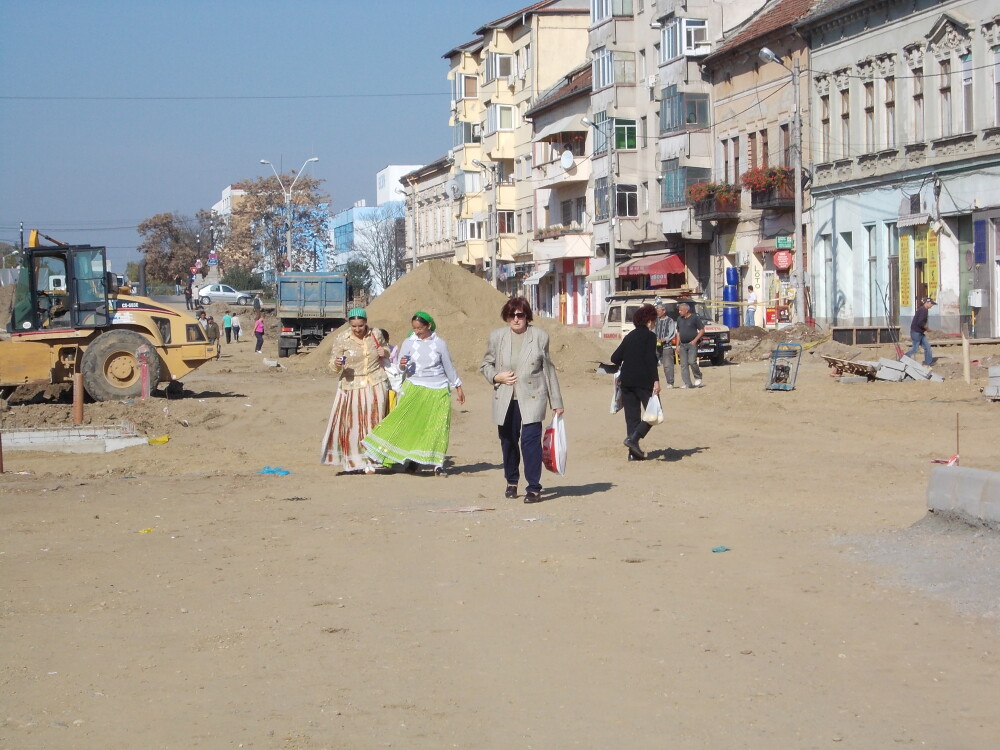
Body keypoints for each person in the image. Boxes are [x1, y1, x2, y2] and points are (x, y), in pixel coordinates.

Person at [480, 297, 564, 503]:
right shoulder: (497, 337)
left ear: (527, 316)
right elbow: (486, 364)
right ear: (506, 317)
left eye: (520, 315)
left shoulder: (540, 337)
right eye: (511, 315)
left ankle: (534, 487)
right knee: (508, 441)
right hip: (505, 398)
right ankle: (511, 480)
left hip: (532, 397)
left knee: (530, 443)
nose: (516, 319)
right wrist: (496, 377)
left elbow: (548, 369)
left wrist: (557, 402)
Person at [363, 312, 465, 475]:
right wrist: (403, 364)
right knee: (408, 423)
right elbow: (401, 368)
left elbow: (448, 366)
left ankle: (437, 464)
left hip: (438, 389)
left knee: (436, 427)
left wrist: (458, 386)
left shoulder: (440, 344)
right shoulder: (409, 343)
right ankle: (403, 458)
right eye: (414, 328)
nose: (417, 331)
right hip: (414, 387)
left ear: (428, 326)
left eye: (420, 328)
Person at [320, 307, 390, 473]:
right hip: (352, 386)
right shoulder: (341, 339)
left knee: (375, 423)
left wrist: (384, 352)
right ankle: (355, 462)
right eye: (354, 326)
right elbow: (332, 365)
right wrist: (336, 364)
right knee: (353, 425)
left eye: (361, 325)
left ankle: (374, 461)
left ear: (366, 322)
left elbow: (387, 351)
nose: (358, 329)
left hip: (375, 384)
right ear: (349, 325)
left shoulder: (376, 334)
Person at [610, 304, 661, 461]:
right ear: (649, 320)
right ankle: (634, 439)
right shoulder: (650, 337)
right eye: (654, 321)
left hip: (626, 382)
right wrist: (656, 381)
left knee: (632, 418)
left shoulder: (630, 336)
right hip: (644, 381)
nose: (655, 324)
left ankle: (633, 454)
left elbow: (615, 358)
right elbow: (651, 360)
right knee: (654, 413)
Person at [676, 301, 705, 388]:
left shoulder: (694, 318)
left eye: (681, 310)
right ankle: (687, 383)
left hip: (692, 344)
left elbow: (702, 330)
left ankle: (698, 377)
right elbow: (678, 332)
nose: (679, 312)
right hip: (683, 345)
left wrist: (695, 340)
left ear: (686, 310)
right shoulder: (679, 319)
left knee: (692, 361)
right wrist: (677, 345)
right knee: (683, 365)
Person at [653, 301, 677, 389]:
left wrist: (664, 339)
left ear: (663, 311)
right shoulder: (655, 320)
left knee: (668, 365)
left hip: (666, 346)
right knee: (651, 363)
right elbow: (652, 330)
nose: (657, 312)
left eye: (658, 311)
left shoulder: (670, 321)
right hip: (656, 346)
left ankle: (670, 382)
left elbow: (672, 333)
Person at [906, 297, 936, 366]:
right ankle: (902, 359)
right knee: (915, 349)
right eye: (931, 304)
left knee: (927, 347)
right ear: (927, 303)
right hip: (916, 332)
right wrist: (927, 328)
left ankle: (928, 362)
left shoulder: (924, 310)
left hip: (920, 333)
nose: (932, 305)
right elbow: (920, 323)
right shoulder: (923, 310)